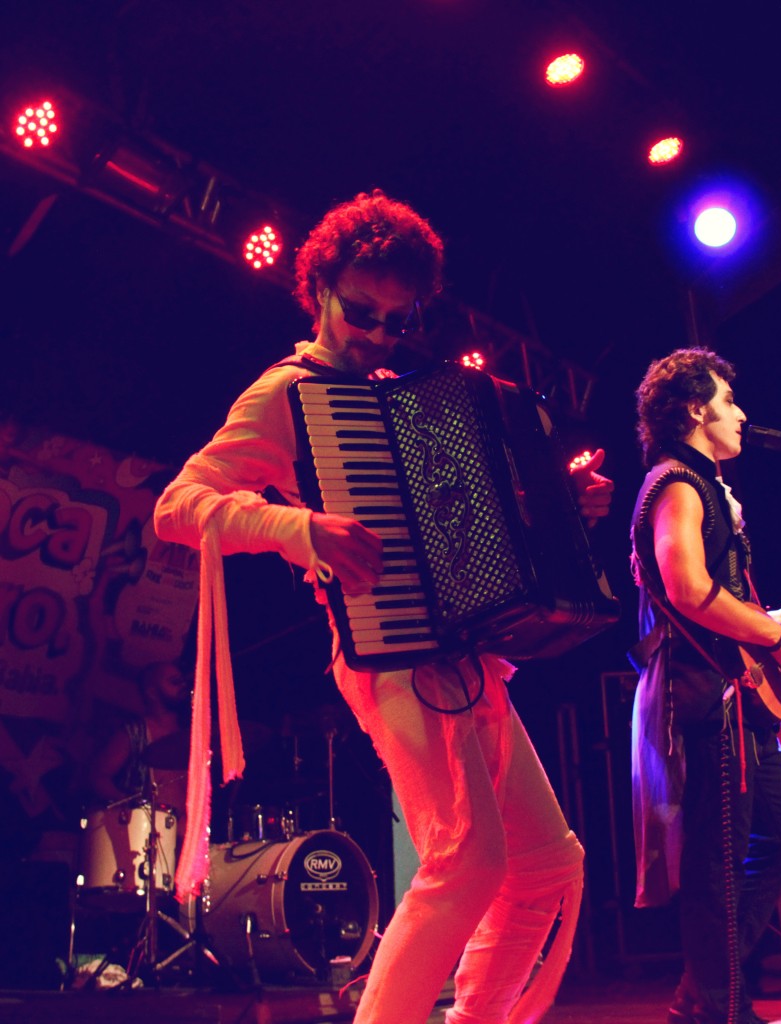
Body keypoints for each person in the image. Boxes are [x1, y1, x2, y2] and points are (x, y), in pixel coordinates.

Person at [153, 189, 612, 1024]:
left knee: (549, 865)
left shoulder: (414, 396)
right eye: (361, 312)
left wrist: (555, 510)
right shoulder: (286, 394)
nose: (376, 335)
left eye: (398, 322)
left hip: (468, 654)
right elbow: (178, 506)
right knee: (467, 862)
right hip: (390, 655)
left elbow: (465, 524)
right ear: (318, 290)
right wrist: (295, 527)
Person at [629, 348, 781, 1024]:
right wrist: (774, 637)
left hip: (735, 693)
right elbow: (686, 587)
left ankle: (702, 989)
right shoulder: (677, 483)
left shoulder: (700, 485)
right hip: (707, 697)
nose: (739, 413)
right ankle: (719, 1006)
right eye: (728, 400)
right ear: (694, 409)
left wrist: (770, 621)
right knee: (718, 862)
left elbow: (714, 596)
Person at [88, 661, 190, 815]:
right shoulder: (135, 732)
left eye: (182, 681)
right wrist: (130, 804)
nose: (182, 686)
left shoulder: (189, 736)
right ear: (152, 693)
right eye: (174, 682)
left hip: (185, 826)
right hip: (145, 824)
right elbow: (98, 777)